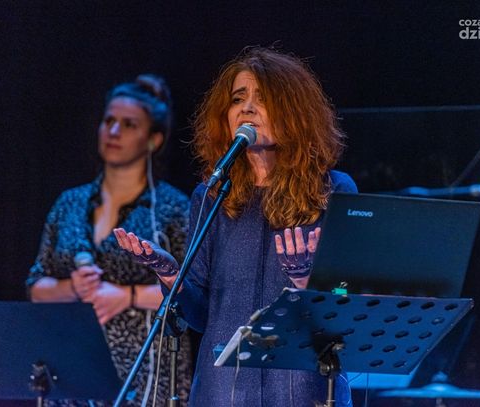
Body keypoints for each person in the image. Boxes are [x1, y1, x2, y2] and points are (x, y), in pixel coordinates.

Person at [115, 47, 357, 406]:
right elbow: (199, 316)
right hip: (222, 391)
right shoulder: (213, 196)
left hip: (302, 391)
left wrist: (306, 281)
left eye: (263, 99)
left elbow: (347, 306)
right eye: (238, 99)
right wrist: (170, 276)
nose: (247, 108)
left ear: (294, 111)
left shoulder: (332, 191)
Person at [27, 74, 192, 406]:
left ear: (154, 139)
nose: (114, 131)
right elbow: (35, 286)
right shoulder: (70, 203)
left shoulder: (173, 208)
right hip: (72, 370)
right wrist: (72, 288)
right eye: (109, 121)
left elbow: (191, 291)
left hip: (143, 372)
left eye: (129, 125)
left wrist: (125, 295)